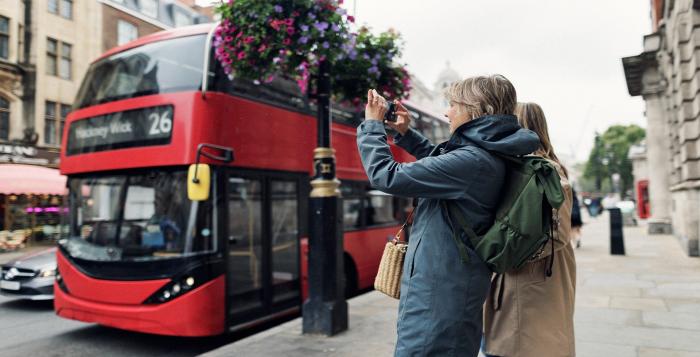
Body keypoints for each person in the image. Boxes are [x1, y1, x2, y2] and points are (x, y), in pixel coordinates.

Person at [356, 75, 540, 356]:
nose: (446, 112)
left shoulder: (473, 160)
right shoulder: (483, 155)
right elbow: (441, 163)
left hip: (438, 300)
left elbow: (386, 176)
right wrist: (406, 134)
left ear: (478, 110)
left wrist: (372, 126)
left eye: (453, 104)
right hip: (446, 290)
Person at [482, 102, 576, 357]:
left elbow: (557, 236)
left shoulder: (546, 169)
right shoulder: (521, 166)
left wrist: (508, 255)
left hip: (531, 283)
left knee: (523, 345)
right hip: (520, 283)